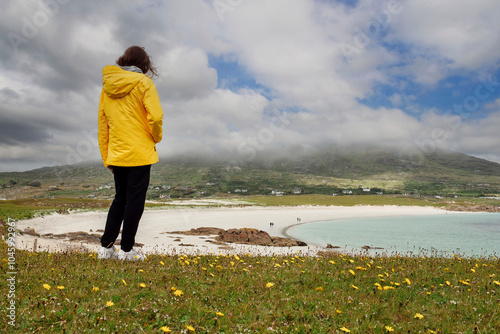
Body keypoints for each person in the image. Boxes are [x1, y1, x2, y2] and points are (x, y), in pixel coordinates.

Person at [97, 46, 163, 260]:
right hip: (140, 153)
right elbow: (156, 116)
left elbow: (103, 125)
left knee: (119, 199)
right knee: (135, 202)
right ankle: (127, 250)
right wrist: (155, 137)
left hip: (117, 153)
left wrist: (107, 157)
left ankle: (106, 248)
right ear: (144, 64)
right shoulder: (144, 82)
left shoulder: (107, 87)